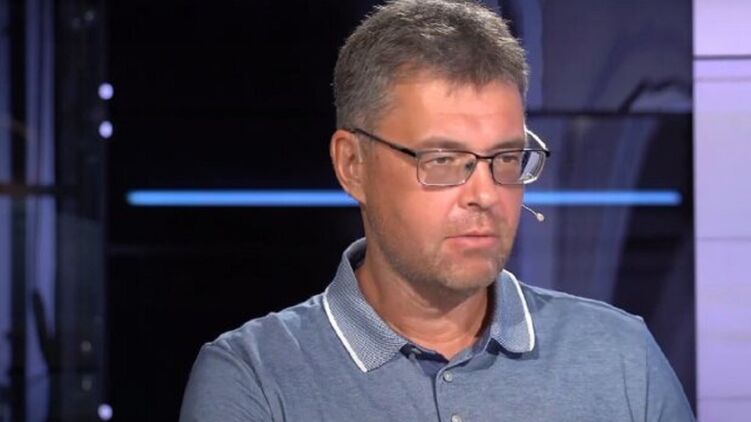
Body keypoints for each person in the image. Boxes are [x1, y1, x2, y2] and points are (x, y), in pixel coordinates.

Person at [180, 1, 695, 420]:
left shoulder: (622, 357)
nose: (485, 194)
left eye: (506, 159)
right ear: (352, 164)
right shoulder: (255, 378)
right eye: (443, 160)